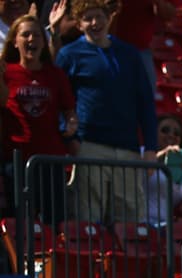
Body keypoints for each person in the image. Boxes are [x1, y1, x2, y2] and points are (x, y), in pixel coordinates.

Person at [55, 0, 157, 225]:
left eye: (99, 16)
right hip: (90, 146)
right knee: (89, 219)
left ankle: (126, 263)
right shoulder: (69, 55)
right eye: (87, 18)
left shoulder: (129, 54)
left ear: (109, 17)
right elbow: (59, 102)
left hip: (127, 150)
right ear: (79, 24)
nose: (94, 23)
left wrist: (150, 146)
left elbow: (145, 102)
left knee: (130, 221)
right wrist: (72, 141)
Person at [2, 14, 75, 224]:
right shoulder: (7, 72)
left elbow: (69, 110)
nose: (31, 39)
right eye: (25, 35)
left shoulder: (56, 75)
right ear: (15, 41)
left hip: (51, 160)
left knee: (53, 223)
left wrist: (71, 123)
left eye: (36, 35)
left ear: (44, 42)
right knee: (21, 225)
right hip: (17, 160)